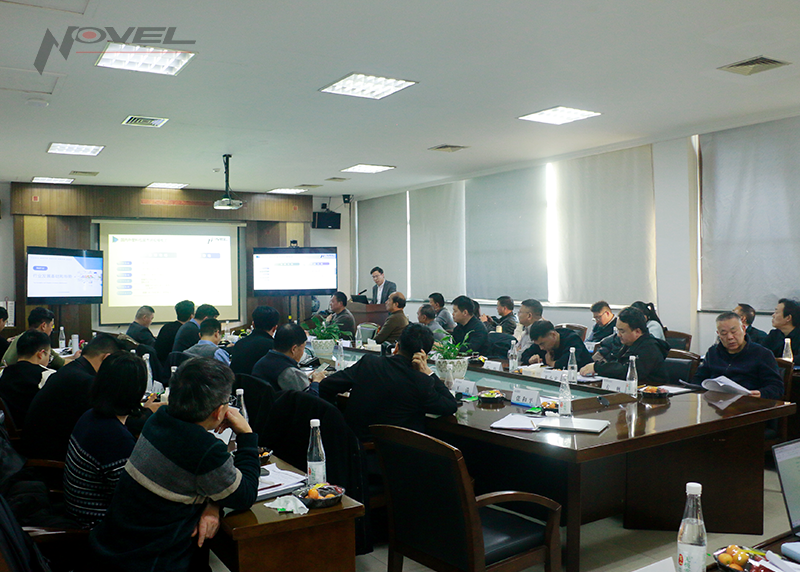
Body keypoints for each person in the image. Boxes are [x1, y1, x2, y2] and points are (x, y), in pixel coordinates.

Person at [88, 358, 259, 572]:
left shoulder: (158, 420)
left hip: (112, 548)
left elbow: (200, 481)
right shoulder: (203, 449)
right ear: (219, 411)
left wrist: (213, 504)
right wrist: (246, 435)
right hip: (149, 561)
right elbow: (245, 495)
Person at [319, 323, 458, 441]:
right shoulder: (421, 382)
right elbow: (451, 405)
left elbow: (326, 385)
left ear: (397, 346)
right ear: (424, 356)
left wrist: (337, 423)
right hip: (390, 453)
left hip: (350, 444)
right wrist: (428, 372)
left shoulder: (369, 362)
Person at [63, 352, 147, 527]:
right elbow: (133, 500)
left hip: (78, 510)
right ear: (137, 391)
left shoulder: (90, 416)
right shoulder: (116, 438)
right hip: (98, 526)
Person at [24, 333, 127, 461]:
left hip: (38, 450)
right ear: (106, 358)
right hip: (52, 459)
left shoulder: (72, 370)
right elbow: (111, 418)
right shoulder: (85, 381)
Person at [692, 312, 783, 399]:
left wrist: (761, 393)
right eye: (724, 333)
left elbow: (776, 387)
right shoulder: (713, 352)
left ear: (743, 329)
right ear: (718, 334)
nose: (730, 337)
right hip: (716, 402)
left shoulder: (762, 354)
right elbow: (698, 379)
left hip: (747, 403)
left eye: (734, 331)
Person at [580, 306, 670, 385]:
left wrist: (597, 367)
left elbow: (629, 371)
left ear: (637, 332)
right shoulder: (627, 343)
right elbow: (616, 364)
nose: (618, 335)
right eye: (618, 330)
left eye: (622, 331)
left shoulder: (650, 348)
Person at [251, 323, 326, 393]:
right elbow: (310, 399)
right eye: (303, 347)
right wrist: (316, 381)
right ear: (294, 349)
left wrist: (302, 378)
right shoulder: (289, 372)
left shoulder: (261, 362)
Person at [0, 330, 52, 429]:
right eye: (49, 356)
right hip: (37, 431)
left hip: (8, 432)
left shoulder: (3, 373)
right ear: (41, 354)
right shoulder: (47, 375)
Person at [2, 307, 67, 370]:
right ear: (43, 326)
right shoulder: (39, 341)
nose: (51, 329)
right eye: (51, 325)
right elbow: (61, 363)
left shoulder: (24, 336)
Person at [230, 305, 279, 375]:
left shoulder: (239, 344)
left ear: (253, 325)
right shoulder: (274, 348)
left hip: (238, 382)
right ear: (274, 328)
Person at [528, 321, 593, 369]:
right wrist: (530, 360)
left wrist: (551, 363)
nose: (541, 348)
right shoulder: (542, 340)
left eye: (542, 344)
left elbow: (569, 362)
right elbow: (525, 354)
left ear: (553, 335)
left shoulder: (572, 339)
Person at [764, 298, 800, 365]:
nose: (773, 315)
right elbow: (762, 353)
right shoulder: (774, 334)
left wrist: (778, 361)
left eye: (776, 312)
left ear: (788, 318)